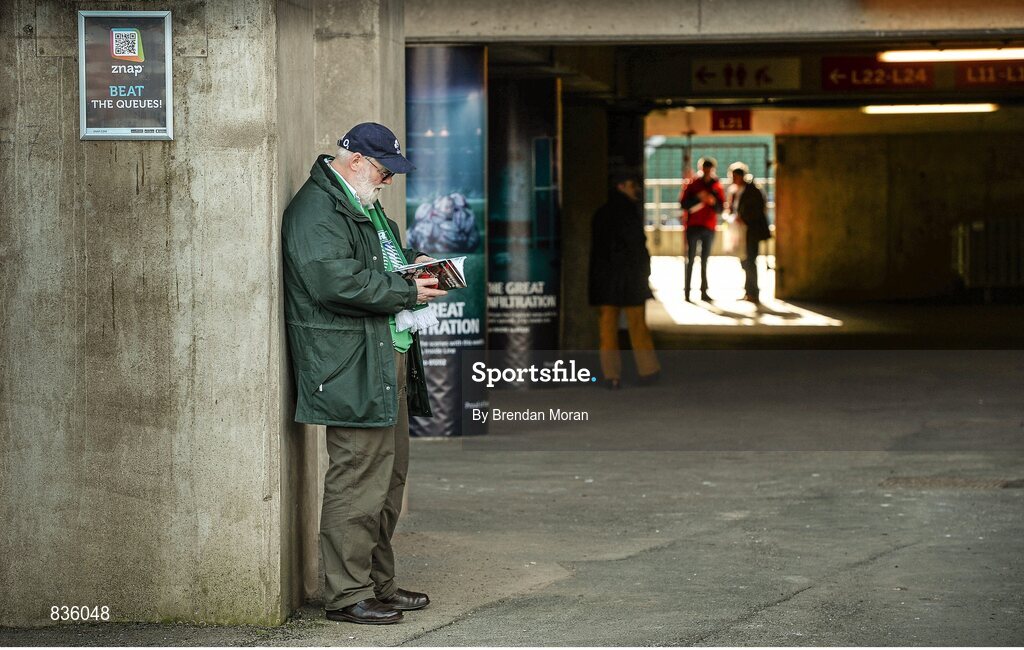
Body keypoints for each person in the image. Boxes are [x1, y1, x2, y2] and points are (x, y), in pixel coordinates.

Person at [281, 123, 447, 625]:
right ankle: (347, 593)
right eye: (382, 170)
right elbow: (334, 282)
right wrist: (406, 292)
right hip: (351, 365)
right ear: (354, 161)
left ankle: (378, 584)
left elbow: (378, 267)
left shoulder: (364, 206)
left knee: (388, 480)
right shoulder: (316, 210)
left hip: (382, 357)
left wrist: (414, 267)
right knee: (357, 479)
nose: (388, 181)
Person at [588, 171, 661, 389]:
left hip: (605, 280)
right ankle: (648, 371)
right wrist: (645, 274)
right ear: (621, 186)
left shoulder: (600, 213)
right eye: (631, 185)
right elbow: (637, 248)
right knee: (638, 326)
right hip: (630, 279)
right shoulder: (630, 213)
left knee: (607, 329)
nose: (635, 189)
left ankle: (611, 375)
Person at [679, 157, 725, 302]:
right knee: (690, 259)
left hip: (709, 226)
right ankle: (687, 292)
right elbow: (683, 204)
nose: (707, 172)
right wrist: (699, 198)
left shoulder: (717, 185)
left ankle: (704, 292)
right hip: (693, 226)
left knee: (705, 260)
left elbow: (720, 208)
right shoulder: (693, 184)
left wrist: (712, 201)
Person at [727, 162, 771, 304]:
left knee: (750, 261)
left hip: (751, 231)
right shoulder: (736, 191)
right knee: (745, 261)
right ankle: (748, 291)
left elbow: (758, 210)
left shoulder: (752, 190)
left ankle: (753, 292)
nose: (733, 179)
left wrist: (743, 218)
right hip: (741, 231)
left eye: (735, 176)